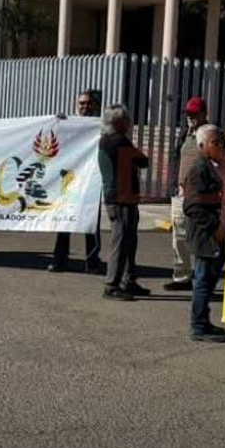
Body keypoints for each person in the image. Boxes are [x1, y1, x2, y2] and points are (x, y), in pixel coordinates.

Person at [183, 124, 225, 343]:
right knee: (203, 281)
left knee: (211, 279)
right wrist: (216, 229)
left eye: (222, 141)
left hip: (220, 232)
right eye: (216, 142)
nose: (221, 146)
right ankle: (198, 326)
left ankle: (203, 321)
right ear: (202, 146)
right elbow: (192, 206)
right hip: (207, 235)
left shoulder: (221, 167)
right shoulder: (199, 170)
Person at [99, 103, 150, 301]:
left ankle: (128, 280)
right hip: (122, 198)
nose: (129, 123)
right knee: (121, 241)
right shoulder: (119, 141)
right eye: (126, 119)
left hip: (118, 197)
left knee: (128, 240)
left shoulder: (105, 140)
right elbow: (142, 161)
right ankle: (112, 285)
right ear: (118, 122)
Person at [49, 90, 103, 273]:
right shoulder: (68, 123)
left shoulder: (100, 125)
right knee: (64, 221)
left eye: (88, 103)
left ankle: (92, 262)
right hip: (69, 181)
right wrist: (58, 122)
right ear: (76, 105)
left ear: (95, 106)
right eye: (82, 103)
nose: (85, 107)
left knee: (91, 224)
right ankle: (60, 260)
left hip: (91, 181)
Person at [167, 97, 210, 291]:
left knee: (200, 236)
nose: (191, 118)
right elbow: (176, 158)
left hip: (199, 194)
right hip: (181, 192)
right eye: (188, 114)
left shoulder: (209, 134)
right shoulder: (185, 134)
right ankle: (182, 277)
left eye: (194, 114)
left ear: (203, 114)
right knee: (179, 236)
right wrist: (176, 183)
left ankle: (203, 278)